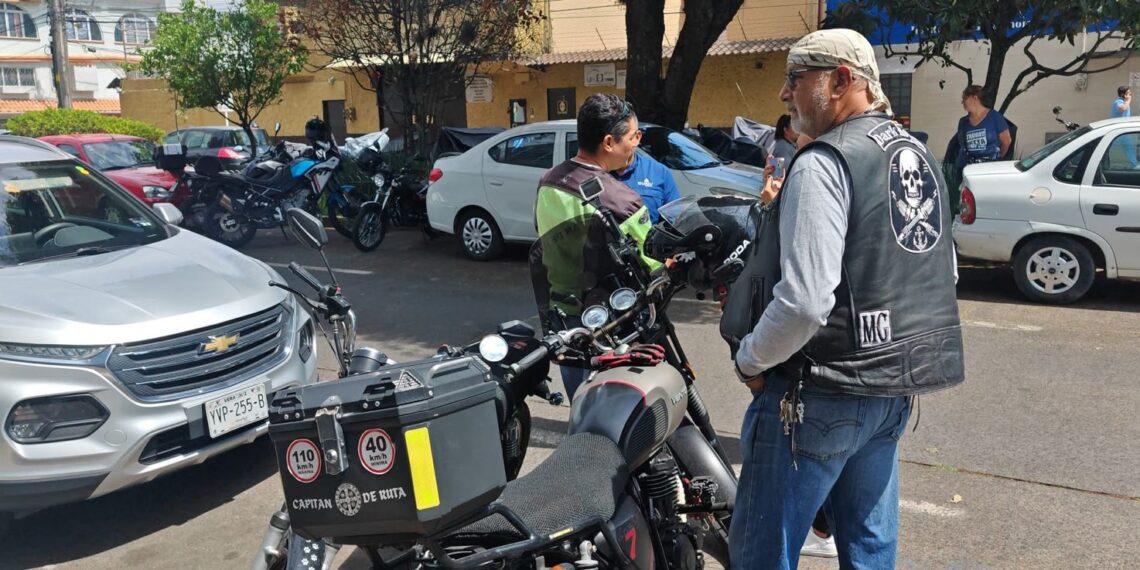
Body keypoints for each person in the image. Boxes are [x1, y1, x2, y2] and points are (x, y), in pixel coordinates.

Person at [719, 28, 965, 568]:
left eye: (795, 79)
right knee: (870, 549)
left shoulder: (823, 163)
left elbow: (805, 301)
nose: (785, 94)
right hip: (893, 394)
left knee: (761, 552)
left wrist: (750, 357)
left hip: (819, 397)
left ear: (841, 80)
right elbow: (940, 273)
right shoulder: (918, 155)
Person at [532, 93, 657, 400]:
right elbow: (653, 262)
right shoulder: (621, 200)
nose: (637, 143)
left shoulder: (548, 181)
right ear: (608, 143)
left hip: (564, 324)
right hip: (613, 330)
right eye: (633, 136)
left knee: (585, 412)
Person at [611, 149, 680, 223]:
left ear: (636, 138)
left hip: (648, 233)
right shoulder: (598, 172)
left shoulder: (659, 172)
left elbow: (674, 219)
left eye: (617, 139)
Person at [1110, 86, 1138, 168]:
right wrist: (1128, 100)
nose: (1130, 94)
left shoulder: (1123, 101)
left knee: (1129, 147)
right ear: (1123, 94)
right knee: (1112, 147)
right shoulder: (1118, 102)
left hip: (1123, 130)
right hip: (1117, 130)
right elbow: (1122, 109)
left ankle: (1134, 164)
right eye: (1129, 93)